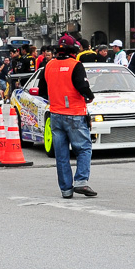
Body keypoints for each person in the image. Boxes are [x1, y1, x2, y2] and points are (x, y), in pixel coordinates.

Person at [37, 34, 96, 198]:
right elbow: (83, 86)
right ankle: (81, 182)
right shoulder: (75, 65)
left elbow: (42, 91)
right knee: (84, 148)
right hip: (75, 114)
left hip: (55, 115)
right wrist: (90, 96)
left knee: (61, 154)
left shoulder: (48, 66)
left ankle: (66, 190)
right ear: (74, 50)